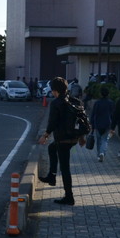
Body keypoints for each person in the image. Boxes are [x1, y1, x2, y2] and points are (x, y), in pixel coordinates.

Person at [37, 76, 82, 206]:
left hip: (62, 139)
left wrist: (45, 135)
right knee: (52, 148)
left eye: (52, 90)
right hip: (74, 137)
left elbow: (52, 123)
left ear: (55, 90)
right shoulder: (75, 101)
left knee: (65, 168)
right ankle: (51, 176)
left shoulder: (56, 103)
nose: (52, 92)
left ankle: (69, 197)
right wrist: (82, 137)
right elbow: (82, 119)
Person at [89, 86, 115, 162]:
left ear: (101, 94)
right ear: (108, 94)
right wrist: (113, 125)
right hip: (107, 124)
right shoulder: (111, 103)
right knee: (105, 140)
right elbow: (113, 115)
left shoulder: (97, 103)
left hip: (98, 124)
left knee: (99, 140)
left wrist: (91, 124)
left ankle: (98, 154)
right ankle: (102, 152)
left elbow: (93, 114)